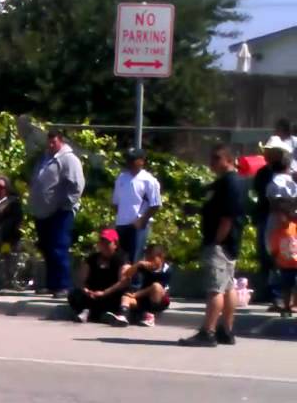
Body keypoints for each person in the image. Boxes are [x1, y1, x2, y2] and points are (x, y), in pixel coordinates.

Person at [180, 144, 246, 347]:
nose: (212, 162)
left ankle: (207, 332)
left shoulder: (230, 183)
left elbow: (228, 217)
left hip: (221, 243)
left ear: (228, 159)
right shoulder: (226, 182)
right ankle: (225, 330)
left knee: (214, 289)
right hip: (228, 243)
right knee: (227, 287)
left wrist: (217, 240)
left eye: (217, 158)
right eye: (212, 158)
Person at [29, 130, 85, 297]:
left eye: (54, 142)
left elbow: (77, 185)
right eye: (49, 142)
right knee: (47, 249)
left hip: (60, 212)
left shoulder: (69, 159)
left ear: (61, 141)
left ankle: (63, 285)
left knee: (59, 248)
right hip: (43, 212)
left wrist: (65, 205)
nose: (51, 145)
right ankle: (51, 284)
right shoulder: (46, 158)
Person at [252, 135, 293, 308]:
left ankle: (280, 296)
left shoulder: (284, 177)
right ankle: (272, 293)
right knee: (268, 254)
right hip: (266, 217)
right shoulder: (263, 173)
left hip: (279, 220)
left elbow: (276, 200)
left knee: (282, 255)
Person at [66, 228, 131, 325]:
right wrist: (85, 289)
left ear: (115, 244)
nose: (103, 245)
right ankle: (86, 311)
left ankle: (116, 315)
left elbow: (124, 281)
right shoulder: (92, 258)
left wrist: (104, 292)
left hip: (111, 293)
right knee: (74, 294)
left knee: (125, 295)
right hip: (93, 294)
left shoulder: (122, 258)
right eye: (101, 242)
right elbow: (82, 279)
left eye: (107, 243)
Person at [112, 148, 161, 264]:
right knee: (122, 260)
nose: (129, 162)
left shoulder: (149, 180)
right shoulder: (121, 178)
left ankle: (135, 282)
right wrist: (120, 218)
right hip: (122, 224)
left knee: (135, 259)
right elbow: (115, 202)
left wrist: (142, 220)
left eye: (133, 159)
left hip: (138, 226)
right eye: (128, 159)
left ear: (141, 161)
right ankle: (124, 282)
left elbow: (155, 204)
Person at [119, 244, 173, 327]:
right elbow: (127, 274)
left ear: (161, 257)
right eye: (147, 258)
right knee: (125, 298)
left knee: (156, 286)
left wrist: (136, 294)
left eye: (152, 258)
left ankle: (151, 316)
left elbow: (155, 288)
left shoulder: (166, 270)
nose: (149, 261)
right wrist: (137, 265)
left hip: (159, 299)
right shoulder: (145, 266)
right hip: (143, 298)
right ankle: (123, 316)